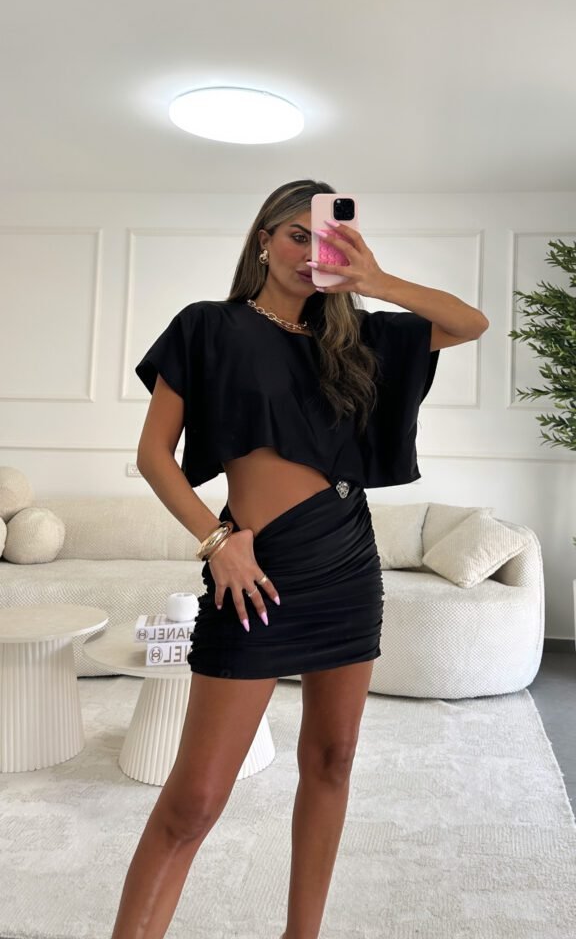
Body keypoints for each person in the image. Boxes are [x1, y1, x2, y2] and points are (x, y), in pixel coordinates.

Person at [111, 179, 488, 939]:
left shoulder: (358, 340)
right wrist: (217, 541)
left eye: (325, 241)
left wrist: (371, 279)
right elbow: (154, 456)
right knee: (194, 801)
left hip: (348, 564)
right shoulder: (208, 326)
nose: (309, 252)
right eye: (296, 234)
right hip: (256, 571)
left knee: (333, 760)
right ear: (263, 241)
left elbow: (469, 322)